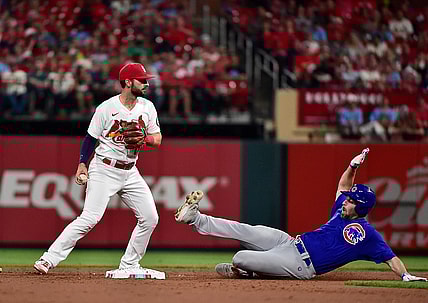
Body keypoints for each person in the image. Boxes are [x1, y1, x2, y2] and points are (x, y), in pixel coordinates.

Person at [175, 148, 427, 282]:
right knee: (246, 230)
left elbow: (390, 257)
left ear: (360, 208)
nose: (346, 200)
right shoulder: (341, 211)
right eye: (349, 198)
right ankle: (195, 218)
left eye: (352, 200)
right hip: (290, 242)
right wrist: (353, 165)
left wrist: (405, 275)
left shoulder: (366, 235)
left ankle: (247, 271)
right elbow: (342, 185)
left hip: (301, 266)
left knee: (240, 257)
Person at [34, 62, 165, 279]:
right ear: (127, 82)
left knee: (150, 218)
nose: (146, 83)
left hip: (131, 171)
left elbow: (158, 139)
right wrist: (82, 164)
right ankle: (48, 258)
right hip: (105, 168)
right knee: (90, 218)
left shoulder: (147, 107)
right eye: (142, 80)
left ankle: (129, 264)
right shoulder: (107, 108)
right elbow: (90, 139)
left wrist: (146, 139)